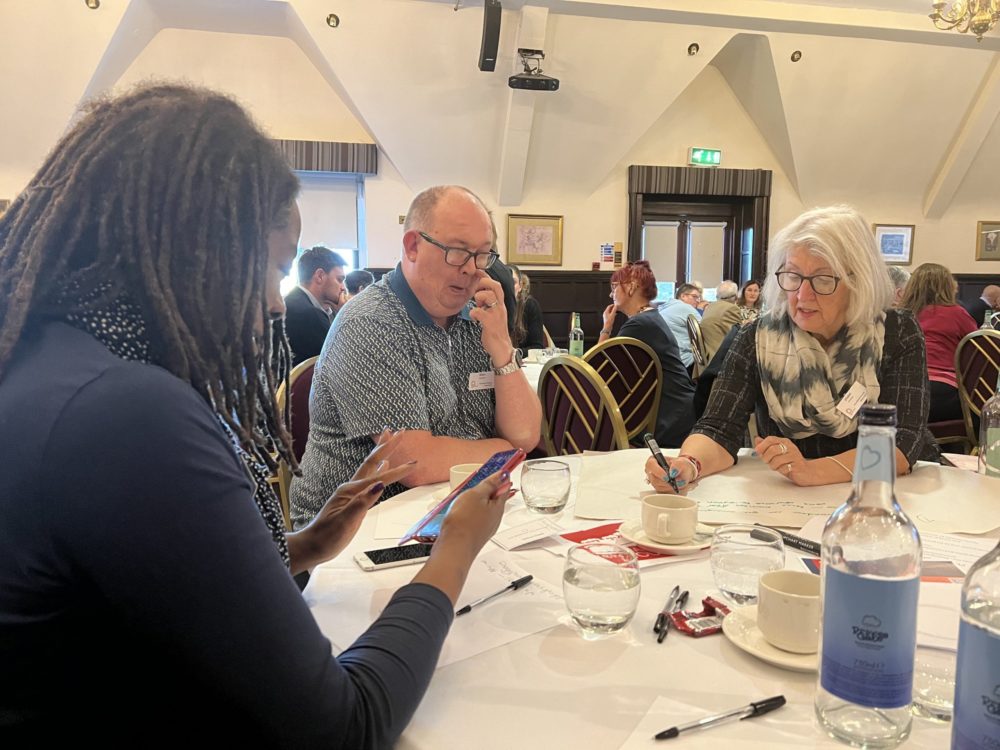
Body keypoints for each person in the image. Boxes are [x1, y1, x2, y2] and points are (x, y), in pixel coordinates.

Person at [0, 84, 512, 746]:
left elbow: (145, 588)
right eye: (272, 267)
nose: (276, 304)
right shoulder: (124, 415)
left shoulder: (47, 355)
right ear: (194, 249)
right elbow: (344, 726)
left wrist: (305, 547)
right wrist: (455, 548)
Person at [291, 185, 542, 527]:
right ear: (412, 246)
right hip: (355, 530)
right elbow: (412, 462)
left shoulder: (477, 318)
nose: (472, 269)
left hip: (452, 511)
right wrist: (505, 450)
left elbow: (526, 435)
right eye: (458, 251)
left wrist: (500, 345)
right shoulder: (372, 322)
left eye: (483, 254)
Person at [644, 205, 939, 493]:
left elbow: (903, 443)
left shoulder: (896, 332)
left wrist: (813, 472)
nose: (802, 295)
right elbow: (719, 428)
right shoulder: (757, 337)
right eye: (793, 275)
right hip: (787, 496)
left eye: (823, 279)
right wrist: (688, 463)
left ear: (858, 280)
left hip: (881, 494)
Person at [599, 261, 696, 447]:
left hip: (667, 419)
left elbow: (596, 369)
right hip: (677, 411)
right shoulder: (649, 319)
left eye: (614, 287)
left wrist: (606, 328)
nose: (611, 294)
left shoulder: (639, 325)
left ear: (631, 286)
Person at [899, 263, 977, 423]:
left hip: (902, 390)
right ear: (947, 287)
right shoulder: (956, 313)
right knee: (982, 412)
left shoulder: (900, 315)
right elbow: (976, 350)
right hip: (941, 393)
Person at [284, 245, 346, 364]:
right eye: (339, 279)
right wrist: (344, 314)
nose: (343, 288)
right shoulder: (309, 315)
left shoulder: (292, 301)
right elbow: (342, 363)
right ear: (320, 276)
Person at [657, 283, 702, 370]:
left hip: (664, 360)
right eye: (695, 296)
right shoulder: (686, 308)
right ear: (683, 296)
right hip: (683, 361)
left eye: (699, 297)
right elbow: (704, 330)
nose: (698, 300)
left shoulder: (664, 307)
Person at [699, 279, 742, 362]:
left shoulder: (710, 307)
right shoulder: (731, 309)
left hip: (707, 356)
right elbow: (737, 338)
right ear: (736, 297)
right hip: (721, 360)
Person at [510, 264, 546, 354]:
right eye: (506, 282)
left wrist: (515, 354)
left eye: (513, 282)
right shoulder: (491, 305)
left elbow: (537, 347)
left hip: (523, 362)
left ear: (520, 286)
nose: (509, 286)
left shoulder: (529, 305)